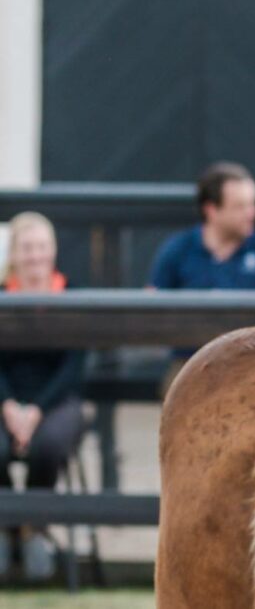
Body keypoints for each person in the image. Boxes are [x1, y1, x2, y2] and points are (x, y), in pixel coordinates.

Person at [0, 211, 86, 581]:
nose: (35, 256)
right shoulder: (3, 298)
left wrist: (35, 411)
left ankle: (34, 526)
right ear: (15, 254)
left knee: (49, 445)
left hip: (55, 400)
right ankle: (6, 525)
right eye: (27, 248)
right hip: (5, 399)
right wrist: (7, 406)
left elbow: (73, 366)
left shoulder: (71, 296)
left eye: (41, 247)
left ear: (52, 251)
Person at [149, 162, 255, 291]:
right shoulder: (177, 250)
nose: (253, 213)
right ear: (211, 210)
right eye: (240, 206)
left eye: (252, 203)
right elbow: (152, 309)